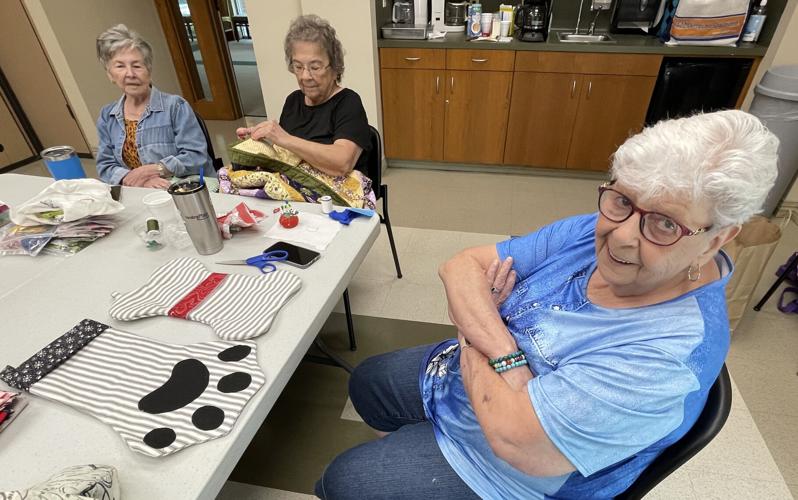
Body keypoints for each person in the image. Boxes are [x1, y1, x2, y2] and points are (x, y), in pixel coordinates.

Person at [315, 110, 779, 499]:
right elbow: (461, 267)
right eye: (621, 199)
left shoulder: (666, 356)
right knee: (370, 382)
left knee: (342, 481)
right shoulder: (593, 229)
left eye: (663, 225)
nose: (620, 235)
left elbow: (517, 443)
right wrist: (503, 351)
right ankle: (419, 443)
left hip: (514, 475)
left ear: (716, 238)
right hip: (481, 391)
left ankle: (419, 454)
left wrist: (474, 324)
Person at [227, 15, 374, 207]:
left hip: (337, 204)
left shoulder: (348, 102)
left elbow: (341, 163)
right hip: (296, 200)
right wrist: (259, 146)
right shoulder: (293, 101)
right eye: (298, 67)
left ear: (335, 67)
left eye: (315, 67)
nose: (305, 76)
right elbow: (288, 157)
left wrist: (284, 138)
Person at [95, 24, 209, 188]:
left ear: (148, 69)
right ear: (110, 74)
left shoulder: (175, 106)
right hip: (137, 191)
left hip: (182, 189)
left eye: (136, 65)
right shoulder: (107, 116)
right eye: (120, 66)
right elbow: (105, 166)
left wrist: (155, 170)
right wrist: (139, 180)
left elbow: (197, 157)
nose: (130, 74)